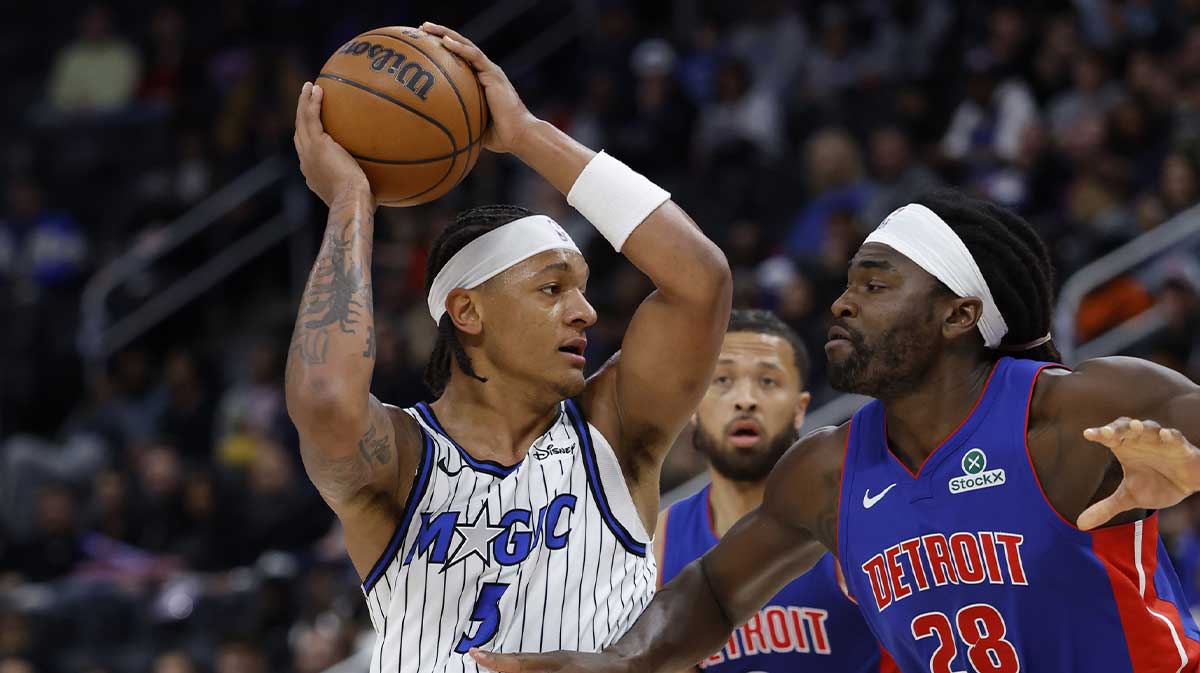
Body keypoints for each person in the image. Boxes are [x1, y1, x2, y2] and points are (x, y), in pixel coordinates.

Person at [472, 190, 1200, 673]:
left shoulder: (1079, 410)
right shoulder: (827, 471)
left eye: (876, 284)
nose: (843, 303)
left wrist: (1193, 472)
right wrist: (614, 663)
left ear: (959, 315)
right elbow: (717, 594)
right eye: (849, 281)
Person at [287, 21, 731, 673]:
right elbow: (326, 394)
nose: (585, 311)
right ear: (467, 311)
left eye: (580, 287)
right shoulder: (403, 458)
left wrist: (525, 134)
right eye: (552, 287)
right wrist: (351, 200)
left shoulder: (615, 431)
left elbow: (701, 280)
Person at [655, 309, 890, 672]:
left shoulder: (855, 522)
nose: (745, 400)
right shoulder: (657, 543)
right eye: (722, 381)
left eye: (767, 382)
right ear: (694, 409)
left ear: (800, 410)